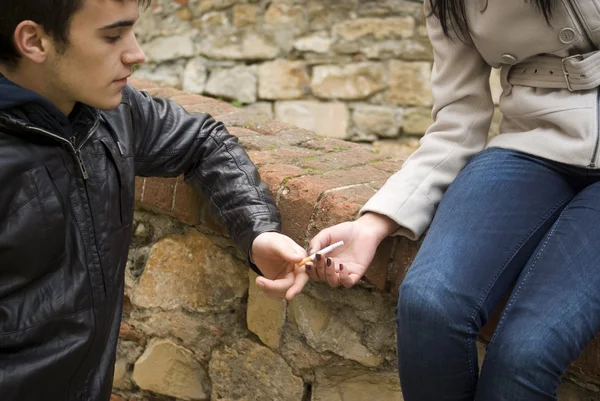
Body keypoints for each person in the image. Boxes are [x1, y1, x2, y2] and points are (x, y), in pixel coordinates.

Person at [258, 0, 600, 400]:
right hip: (530, 144)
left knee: (524, 352)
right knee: (428, 305)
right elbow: (458, 122)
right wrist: (373, 223)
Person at [0, 0, 310, 399]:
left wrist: (258, 231)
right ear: (34, 41)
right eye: (112, 36)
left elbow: (203, 141)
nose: (136, 53)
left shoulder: (108, 114)